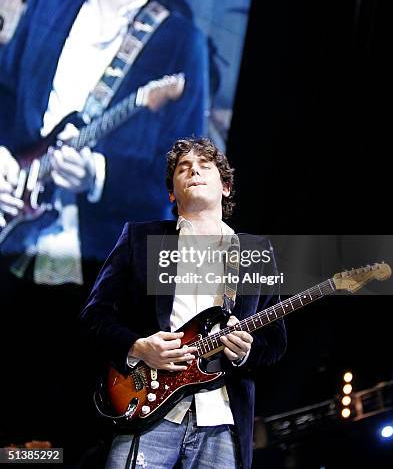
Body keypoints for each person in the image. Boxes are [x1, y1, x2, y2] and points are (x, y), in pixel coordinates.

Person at [0, 0, 209, 450]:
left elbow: (187, 184)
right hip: (10, 228)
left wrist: (97, 176)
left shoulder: (178, 42)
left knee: (45, 422)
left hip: (87, 267)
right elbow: (7, 89)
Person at [80, 137, 287, 469]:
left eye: (205, 166)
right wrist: (138, 347)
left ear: (226, 188)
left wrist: (246, 349)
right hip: (147, 409)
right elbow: (94, 316)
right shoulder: (140, 238)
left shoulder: (256, 253)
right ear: (171, 194)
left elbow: (276, 341)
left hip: (223, 417)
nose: (194, 171)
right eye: (183, 167)